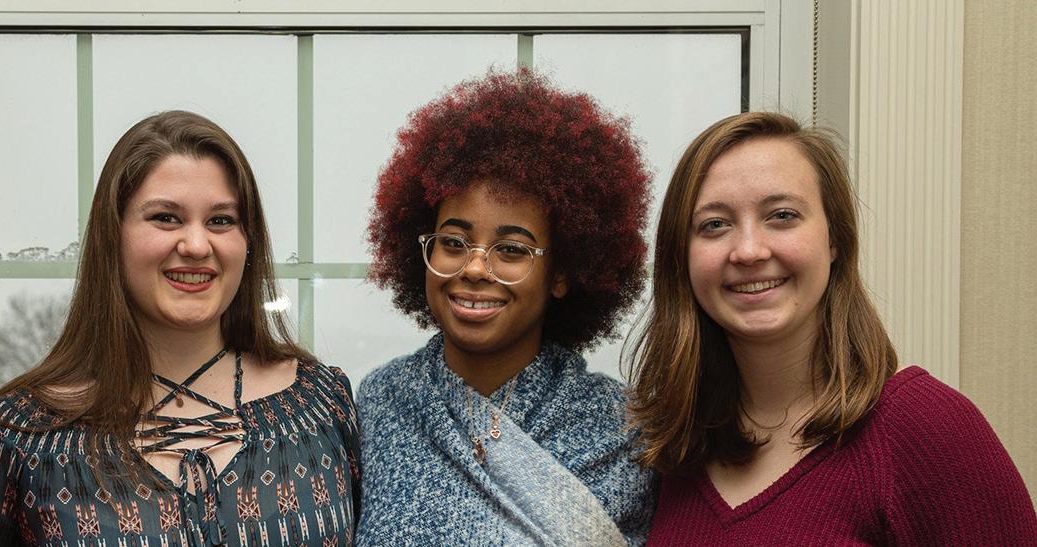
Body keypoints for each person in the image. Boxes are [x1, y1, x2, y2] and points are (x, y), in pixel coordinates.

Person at [0, 110, 360, 546]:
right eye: (166, 217)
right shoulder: (17, 437)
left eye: (221, 220)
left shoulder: (322, 405)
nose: (196, 245)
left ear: (248, 242)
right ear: (113, 236)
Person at [630, 111, 1037, 544]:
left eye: (782, 215)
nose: (748, 251)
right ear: (682, 257)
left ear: (834, 239)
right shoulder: (672, 447)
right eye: (715, 224)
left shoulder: (928, 428)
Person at [357, 70, 656, 546]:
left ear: (562, 273)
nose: (475, 268)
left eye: (512, 249)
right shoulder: (380, 404)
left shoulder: (623, 429)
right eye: (453, 242)